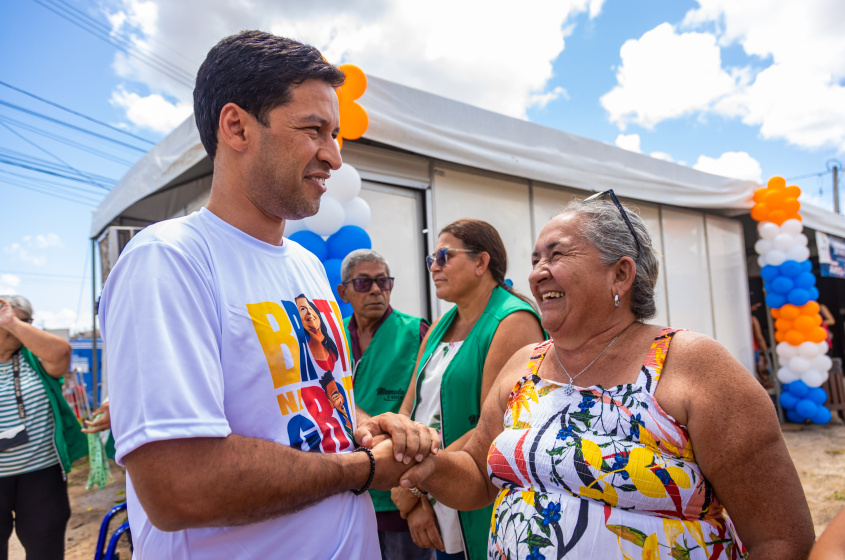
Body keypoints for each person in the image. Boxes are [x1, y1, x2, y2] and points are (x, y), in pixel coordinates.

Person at [98, 31, 437, 560]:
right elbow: (178, 485)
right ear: (236, 127)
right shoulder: (169, 260)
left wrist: (370, 426)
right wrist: (366, 470)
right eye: (314, 130)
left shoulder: (304, 264)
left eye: (337, 134)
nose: (334, 156)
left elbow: (307, 410)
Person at [398, 193, 815, 559]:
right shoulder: (524, 364)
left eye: (556, 255)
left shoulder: (693, 364)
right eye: (535, 259)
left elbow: (780, 539)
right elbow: (476, 474)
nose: (536, 272)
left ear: (621, 274)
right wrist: (427, 467)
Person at [392, 219, 546, 560]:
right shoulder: (438, 327)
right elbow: (407, 410)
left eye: (444, 255)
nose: (434, 266)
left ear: (481, 262)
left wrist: (416, 485)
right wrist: (415, 496)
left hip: (479, 497)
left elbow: (490, 428)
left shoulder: (514, 322)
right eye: (431, 259)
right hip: (435, 493)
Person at [338, 249, 433, 560]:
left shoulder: (417, 332)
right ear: (344, 292)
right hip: (344, 489)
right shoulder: (330, 336)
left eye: (383, 281)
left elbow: (434, 412)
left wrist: (422, 501)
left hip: (400, 492)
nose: (377, 290)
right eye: (364, 283)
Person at [0, 295, 86, 559]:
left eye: (23, 322)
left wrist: (10, 322)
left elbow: (62, 352)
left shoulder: (35, 360)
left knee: (45, 550)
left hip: (40, 475)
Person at [750, 302, 774, 389]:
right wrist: (766, 352)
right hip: (753, 349)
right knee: (759, 373)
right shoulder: (752, 319)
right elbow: (759, 338)